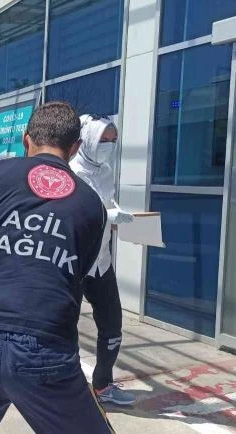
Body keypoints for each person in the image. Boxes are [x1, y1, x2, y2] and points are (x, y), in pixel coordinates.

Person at [0, 102, 123, 434]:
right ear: (75, 148)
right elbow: (74, 277)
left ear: (26, 140)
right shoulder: (92, 205)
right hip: (42, 344)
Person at [70, 114, 135, 406]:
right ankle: (66, 385)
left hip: (102, 261)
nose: (108, 146)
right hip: (75, 261)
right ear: (87, 140)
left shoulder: (106, 171)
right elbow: (74, 214)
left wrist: (117, 219)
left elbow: (106, 205)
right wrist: (108, 216)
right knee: (64, 325)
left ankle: (103, 384)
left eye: (113, 140)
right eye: (102, 140)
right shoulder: (71, 171)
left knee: (112, 324)